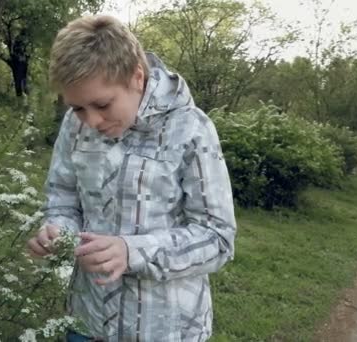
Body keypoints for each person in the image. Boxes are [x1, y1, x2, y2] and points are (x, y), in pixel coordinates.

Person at [26, 14, 236, 342]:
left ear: (136, 77)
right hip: (87, 322)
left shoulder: (191, 129)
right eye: (79, 107)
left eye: (102, 104)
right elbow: (63, 198)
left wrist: (132, 251)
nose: (91, 120)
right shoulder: (74, 125)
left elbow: (217, 238)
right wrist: (58, 232)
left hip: (166, 330)